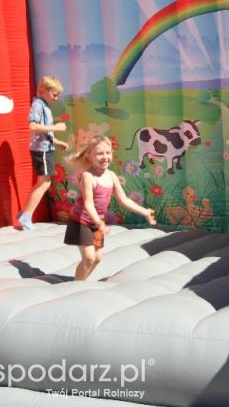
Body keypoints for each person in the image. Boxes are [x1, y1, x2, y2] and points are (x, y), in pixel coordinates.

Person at [64, 135, 157, 281]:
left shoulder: (112, 176)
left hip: (97, 224)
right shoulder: (88, 176)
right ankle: (76, 285)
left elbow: (124, 200)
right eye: (100, 153)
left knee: (97, 258)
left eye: (108, 153)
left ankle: (82, 280)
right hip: (81, 222)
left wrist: (144, 211)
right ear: (89, 156)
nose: (105, 157)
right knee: (89, 258)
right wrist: (99, 223)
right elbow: (88, 203)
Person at [17, 76, 70, 231]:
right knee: (45, 183)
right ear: (44, 91)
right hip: (42, 150)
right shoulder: (38, 105)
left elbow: (43, 133)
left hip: (46, 147)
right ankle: (26, 216)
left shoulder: (44, 105)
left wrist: (57, 142)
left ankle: (24, 214)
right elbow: (33, 127)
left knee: (42, 183)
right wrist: (56, 128)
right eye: (54, 94)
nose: (56, 98)